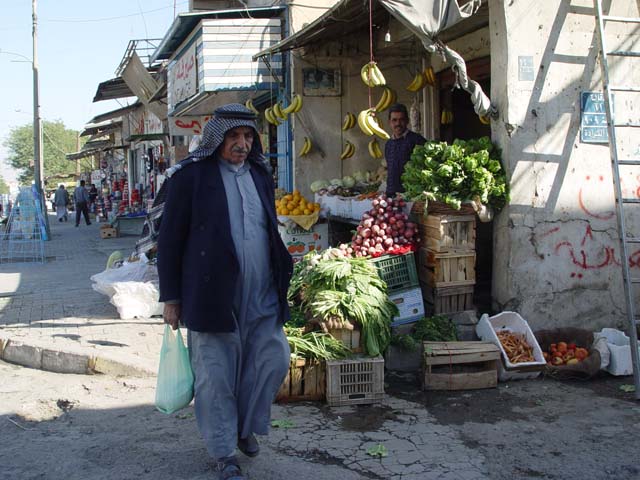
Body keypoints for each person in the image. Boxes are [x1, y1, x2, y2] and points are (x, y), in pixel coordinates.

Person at [157, 104, 293, 480]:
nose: (242, 143)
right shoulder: (191, 178)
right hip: (212, 294)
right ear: (216, 138)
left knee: (272, 360)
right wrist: (171, 297)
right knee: (215, 376)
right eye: (234, 136)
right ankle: (223, 452)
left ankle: (244, 427)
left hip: (262, 292)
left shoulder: (261, 176)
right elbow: (169, 241)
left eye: (248, 136)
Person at [384, 103, 427, 197]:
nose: (398, 124)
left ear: (407, 121)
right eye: (394, 120)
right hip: (391, 195)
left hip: (411, 196)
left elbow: (427, 169)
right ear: (389, 122)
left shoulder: (417, 140)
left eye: (401, 120)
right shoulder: (388, 144)